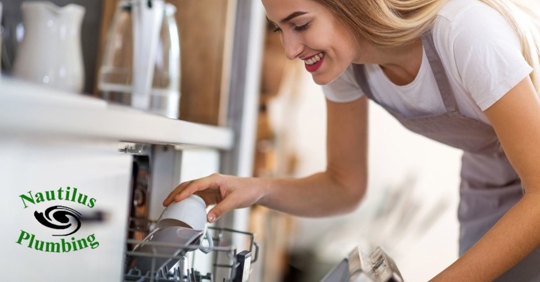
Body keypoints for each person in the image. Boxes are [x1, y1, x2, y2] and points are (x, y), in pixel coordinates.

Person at [164, 0, 540, 280]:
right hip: (490, 171)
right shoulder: (348, 66)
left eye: (301, 25)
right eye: (280, 29)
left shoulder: (465, 31)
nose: (291, 50)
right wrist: (254, 189)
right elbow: (344, 185)